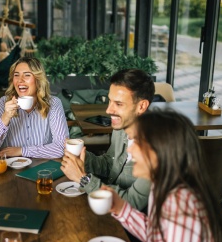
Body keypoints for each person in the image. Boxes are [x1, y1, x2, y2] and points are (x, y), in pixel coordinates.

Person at [73, 110, 222, 242]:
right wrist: (121, 208)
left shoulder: (182, 204)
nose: (130, 150)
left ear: (159, 151)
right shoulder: (166, 184)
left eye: (137, 143)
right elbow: (161, 234)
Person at [61, 68, 154, 210]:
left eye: (118, 104)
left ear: (141, 106)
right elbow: (111, 165)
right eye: (110, 101)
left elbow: (133, 203)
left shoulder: (156, 148)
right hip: (107, 208)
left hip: (133, 225)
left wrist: (83, 179)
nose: (108, 110)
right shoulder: (122, 128)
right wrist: (84, 159)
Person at [0, 56, 69, 158]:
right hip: (10, 167)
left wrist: (22, 151)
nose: (20, 80)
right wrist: (6, 117)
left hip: (41, 168)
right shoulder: (3, 103)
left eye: (27, 75)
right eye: (16, 75)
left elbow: (61, 147)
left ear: (38, 79)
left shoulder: (53, 103)